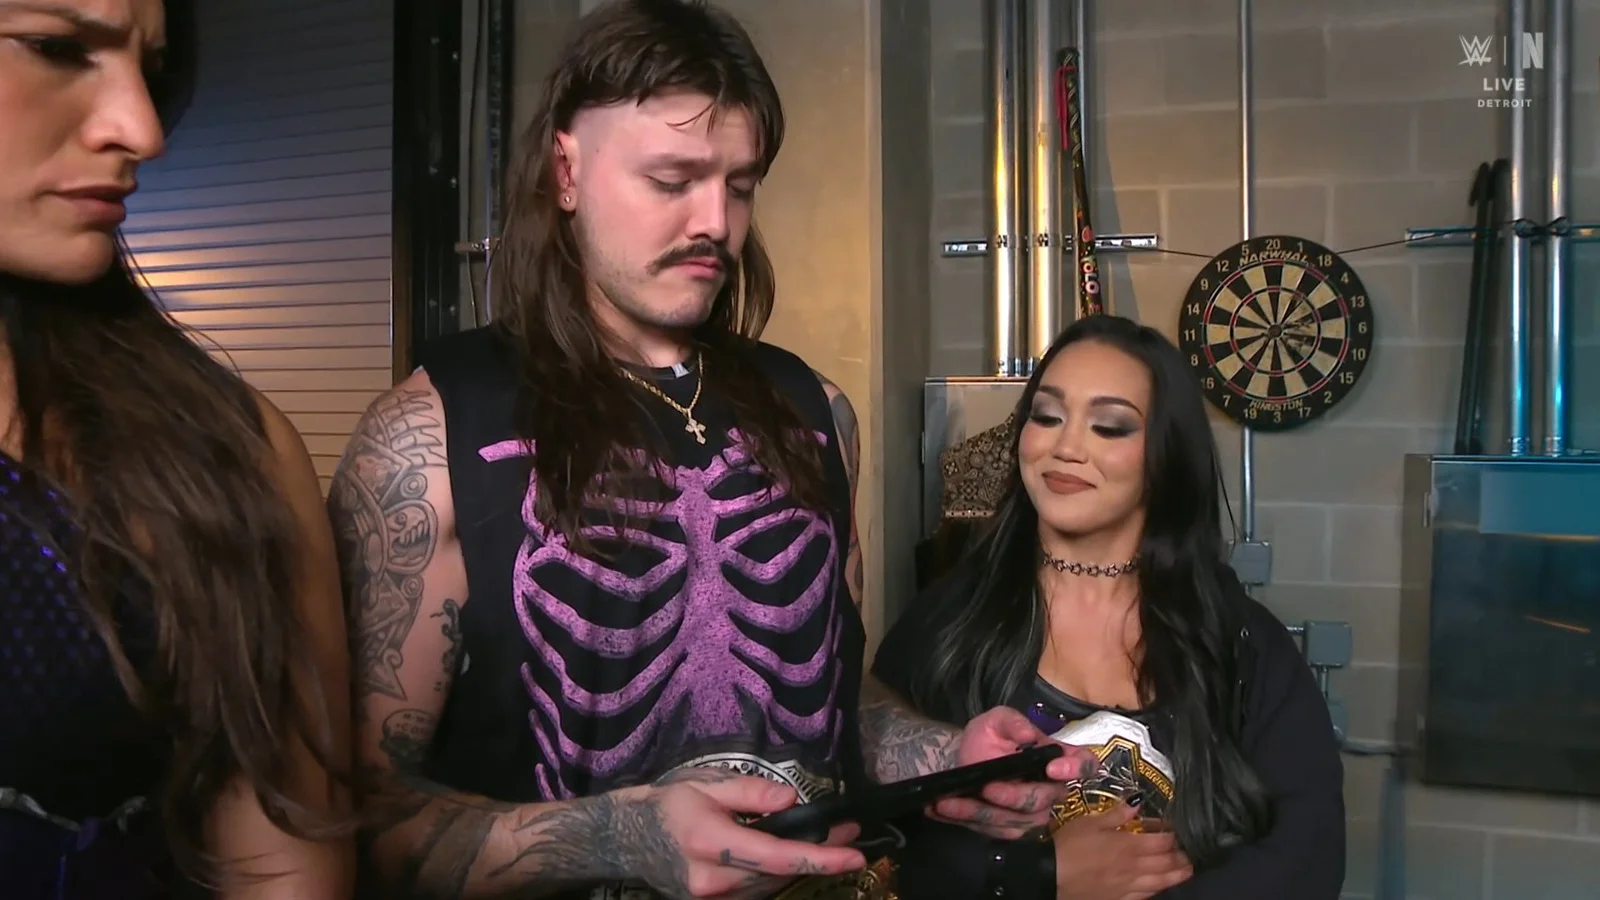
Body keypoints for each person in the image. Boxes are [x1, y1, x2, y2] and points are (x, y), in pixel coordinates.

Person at [326, 1, 1094, 898]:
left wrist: (947, 755)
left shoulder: (815, 413)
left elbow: (837, 709)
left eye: (740, 185)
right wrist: (614, 837)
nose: (715, 223)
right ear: (566, 171)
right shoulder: (427, 439)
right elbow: (354, 817)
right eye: (671, 180)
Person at [0, 0, 355, 898]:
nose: (144, 130)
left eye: (151, 74)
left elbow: (283, 869)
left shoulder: (222, 452)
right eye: (55, 47)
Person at [871, 314, 1346, 900]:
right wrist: (1035, 876)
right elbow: (881, 838)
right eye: (1046, 416)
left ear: (1167, 455)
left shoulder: (1241, 644)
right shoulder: (948, 625)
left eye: (1110, 426)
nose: (1066, 447)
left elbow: (1307, 854)